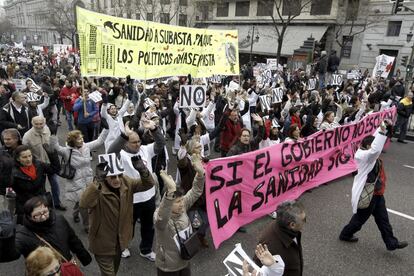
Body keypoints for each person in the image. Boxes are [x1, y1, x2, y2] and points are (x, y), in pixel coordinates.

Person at [79, 157, 155, 276]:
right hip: (102, 243)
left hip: (120, 242)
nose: (117, 180)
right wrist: (97, 182)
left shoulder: (127, 182)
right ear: (105, 177)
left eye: (119, 175)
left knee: (113, 271)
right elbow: (84, 203)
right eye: (113, 177)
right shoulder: (97, 188)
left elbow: (149, 183)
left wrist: (143, 170)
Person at [339, 121, 409, 251]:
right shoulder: (364, 156)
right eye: (373, 144)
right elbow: (375, 149)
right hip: (368, 193)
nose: (378, 147)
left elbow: (376, 141)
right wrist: (382, 132)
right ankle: (345, 234)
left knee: (383, 220)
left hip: (377, 193)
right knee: (360, 220)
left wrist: (383, 126)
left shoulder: (367, 150)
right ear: (367, 146)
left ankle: (391, 243)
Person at [108, 119, 166, 260]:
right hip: (130, 198)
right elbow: (111, 151)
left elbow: (160, 144)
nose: (138, 144)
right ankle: (124, 246)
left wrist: (154, 129)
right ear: (126, 142)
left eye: (139, 141)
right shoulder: (121, 154)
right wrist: (123, 135)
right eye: (134, 142)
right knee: (128, 226)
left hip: (149, 196)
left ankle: (145, 249)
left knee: (148, 226)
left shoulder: (145, 150)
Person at [0, 196, 92, 267]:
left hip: (66, 266)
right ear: (28, 216)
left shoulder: (59, 220)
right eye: (37, 215)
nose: (43, 217)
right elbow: (10, 256)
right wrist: (7, 237)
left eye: (45, 212)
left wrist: (85, 258)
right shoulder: (23, 235)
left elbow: (73, 240)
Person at [50, 128, 108, 232]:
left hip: (88, 178)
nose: (81, 140)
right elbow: (56, 147)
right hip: (75, 180)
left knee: (82, 200)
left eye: (81, 138)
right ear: (72, 141)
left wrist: (106, 128)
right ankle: (87, 225)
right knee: (83, 203)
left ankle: (75, 213)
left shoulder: (86, 147)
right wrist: (53, 134)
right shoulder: (67, 151)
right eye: (78, 139)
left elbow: (99, 141)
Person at [154, 161, 205, 276]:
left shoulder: (182, 207)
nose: (182, 204)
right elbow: (161, 220)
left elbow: (195, 191)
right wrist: (170, 193)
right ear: (167, 201)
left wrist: (200, 175)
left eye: (182, 200)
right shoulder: (159, 216)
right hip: (168, 267)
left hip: (185, 259)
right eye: (177, 201)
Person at [22, 116, 66, 211]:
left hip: (50, 163)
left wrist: (54, 135)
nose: (39, 126)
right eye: (36, 124)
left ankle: (57, 203)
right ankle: (43, 206)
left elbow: (54, 146)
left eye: (41, 123)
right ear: (32, 123)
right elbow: (25, 152)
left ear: (44, 123)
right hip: (38, 166)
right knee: (40, 188)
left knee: (55, 184)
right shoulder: (27, 136)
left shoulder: (48, 129)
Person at [254, 200, 306, 276]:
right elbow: (258, 270)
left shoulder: (287, 228)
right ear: (292, 225)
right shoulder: (269, 245)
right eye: (304, 219)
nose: (305, 222)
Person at [11, 145, 60, 224]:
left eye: (30, 156)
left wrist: (52, 155)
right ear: (18, 159)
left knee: (47, 225)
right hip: (26, 206)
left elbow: (55, 169)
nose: (28, 159)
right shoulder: (13, 172)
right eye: (24, 157)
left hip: (42, 203)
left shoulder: (39, 164)